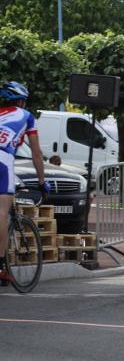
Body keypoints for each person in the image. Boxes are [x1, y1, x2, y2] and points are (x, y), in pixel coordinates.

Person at [0, 82, 49, 283]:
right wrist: (41, 180)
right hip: (3, 159)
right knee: (2, 211)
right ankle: (1, 265)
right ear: (21, 101)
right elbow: (36, 153)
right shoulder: (26, 116)